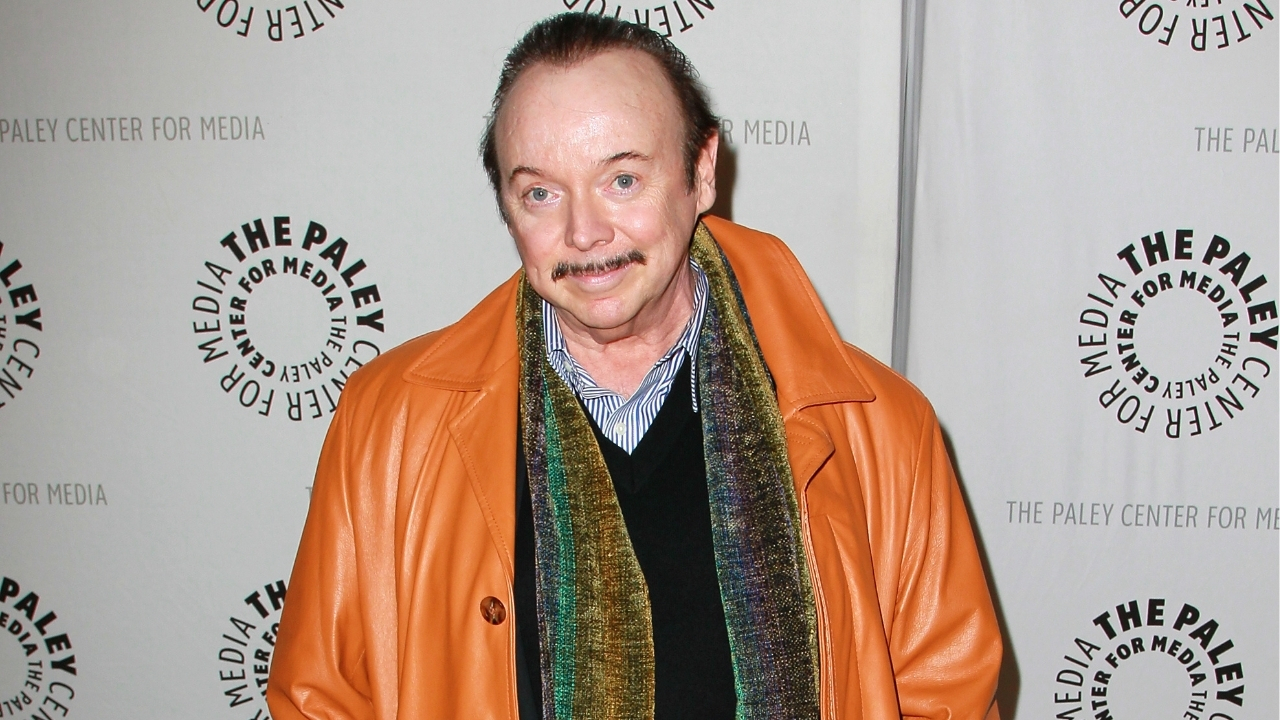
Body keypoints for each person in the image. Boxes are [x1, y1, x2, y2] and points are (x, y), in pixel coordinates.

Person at [267, 12, 1001, 720]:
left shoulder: (879, 428)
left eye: (622, 180)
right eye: (540, 193)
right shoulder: (388, 424)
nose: (585, 233)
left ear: (701, 173)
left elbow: (948, 699)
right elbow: (320, 699)